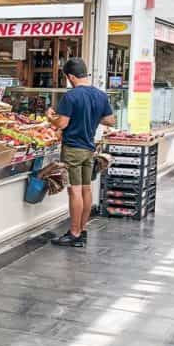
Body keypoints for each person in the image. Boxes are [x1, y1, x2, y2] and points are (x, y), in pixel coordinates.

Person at [45, 58, 115, 248]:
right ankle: (82, 230)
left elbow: (62, 124)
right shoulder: (100, 95)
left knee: (74, 191)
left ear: (70, 77)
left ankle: (74, 233)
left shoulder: (71, 96)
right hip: (89, 148)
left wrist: (50, 117)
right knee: (86, 189)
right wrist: (90, 117)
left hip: (73, 149)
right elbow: (110, 120)